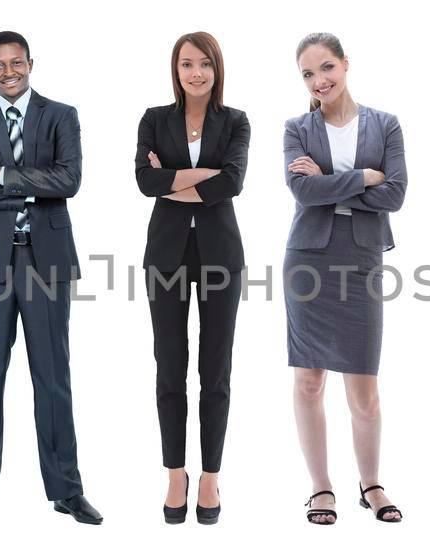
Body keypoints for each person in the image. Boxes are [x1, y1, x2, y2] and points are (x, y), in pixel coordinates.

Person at [0, 31, 102, 526]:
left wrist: (1, 175)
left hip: (46, 259)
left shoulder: (61, 115)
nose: (8, 72)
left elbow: (69, 180)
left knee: (52, 376)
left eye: (16, 63)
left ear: (31, 63)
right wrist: (29, 189)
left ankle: (67, 490)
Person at [282, 32, 407, 525]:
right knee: (309, 381)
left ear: (346, 64)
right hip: (308, 260)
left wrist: (331, 182)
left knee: (364, 389)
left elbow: (395, 194)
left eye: (326, 67)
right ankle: (320, 487)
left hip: (362, 260)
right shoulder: (296, 127)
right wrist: (364, 177)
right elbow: (301, 190)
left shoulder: (385, 124)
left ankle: (371, 483)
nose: (319, 81)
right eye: (309, 74)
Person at [135, 31, 249, 526]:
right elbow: (144, 181)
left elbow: (234, 182)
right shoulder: (153, 119)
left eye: (205, 63)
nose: (196, 72)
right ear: (175, 70)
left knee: (215, 369)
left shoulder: (236, 121)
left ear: (217, 68)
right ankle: (176, 472)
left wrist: (173, 176)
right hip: (166, 255)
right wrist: (203, 176)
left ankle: (210, 476)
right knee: (169, 366)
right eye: (187, 64)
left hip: (222, 255)